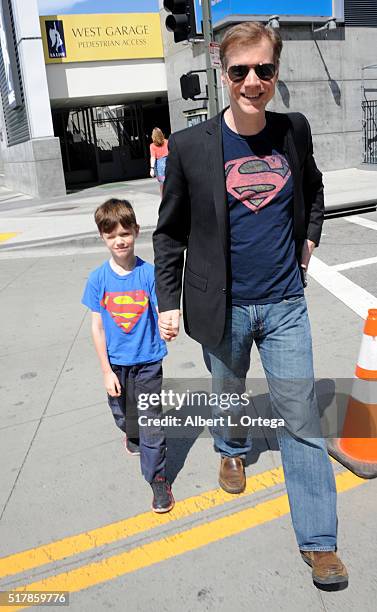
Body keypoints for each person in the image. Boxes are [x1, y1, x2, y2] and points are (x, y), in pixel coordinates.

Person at [153, 22, 348, 587]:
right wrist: (168, 300)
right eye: (240, 71)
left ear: (276, 72)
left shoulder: (294, 131)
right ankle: (231, 446)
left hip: (286, 301)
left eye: (264, 69)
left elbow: (313, 189)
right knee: (227, 391)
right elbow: (169, 234)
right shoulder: (191, 147)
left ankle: (319, 542)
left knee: (301, 418)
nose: (253, 81)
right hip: (223, 305)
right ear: (223, 71)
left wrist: (310, 237)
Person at [82, 198, 174, 513]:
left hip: (148, 361)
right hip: (116, 364)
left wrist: (167, 323)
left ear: (136, 231)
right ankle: (130, 433)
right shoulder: (98, 279)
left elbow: (163, 308)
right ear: (103, 238)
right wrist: (106, 371)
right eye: (112, 235)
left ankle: (158, 478)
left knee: (150, 422)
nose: (119, 240)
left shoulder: (149, 273)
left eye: (125, 232)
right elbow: (97, 327)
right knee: (123, 413)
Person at [149, 127, 169, 196]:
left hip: (160, 166)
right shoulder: (167, 141)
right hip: (169, 163)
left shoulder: (152, 146)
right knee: (170, 182)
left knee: (162, 184)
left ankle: (164, 200)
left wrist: (152, 169)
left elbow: (153, 157)